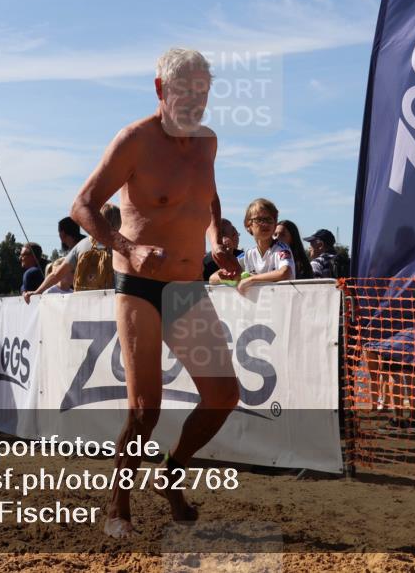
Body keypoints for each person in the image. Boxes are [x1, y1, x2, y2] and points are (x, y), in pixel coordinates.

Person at [70, 47, 241, 538]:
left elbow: (209, 196)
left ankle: (171, 471)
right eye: (186, 92)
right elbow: (82, 205)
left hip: (187, 287)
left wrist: (217, 242)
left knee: (223, 394)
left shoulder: (207, 142)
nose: (196, 102)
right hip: (140, 285)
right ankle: (117, 506)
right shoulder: (135, 140)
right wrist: (126, 245)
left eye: (203, 93)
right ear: (161, 90)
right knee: (146, 408)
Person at [23, 204, 121, 303]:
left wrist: (37, 292)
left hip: (82, 303)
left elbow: (56, 274)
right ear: (118, 222)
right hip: (111, 304)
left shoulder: (82, 245)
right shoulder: (122, 246)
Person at [210, 198, 294, 292]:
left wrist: (251, 279)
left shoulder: (281, 249)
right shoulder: (248, 255)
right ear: (248, 226)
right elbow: (212, 278)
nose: (265, 224)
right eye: (259, 219)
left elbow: (285, 273)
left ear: (275, 225)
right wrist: (228, 278)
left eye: (269, 219)